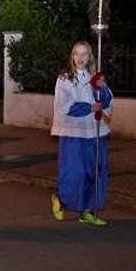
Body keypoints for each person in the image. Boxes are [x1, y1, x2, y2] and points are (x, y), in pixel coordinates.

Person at [50, 41, 113, 226]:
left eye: (84, 54)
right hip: (74, 134)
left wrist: (102, 91)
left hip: (95, 132)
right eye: (77, 54)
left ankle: (87, 211)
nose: (80, 58)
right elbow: (63, 106)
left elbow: (107, 100)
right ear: (72, 56)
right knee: (75, 172)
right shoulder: (65, 79)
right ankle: (60, 198)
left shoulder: (95, 77)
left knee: (94, 172)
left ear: (90, 57)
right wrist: (89, 107)